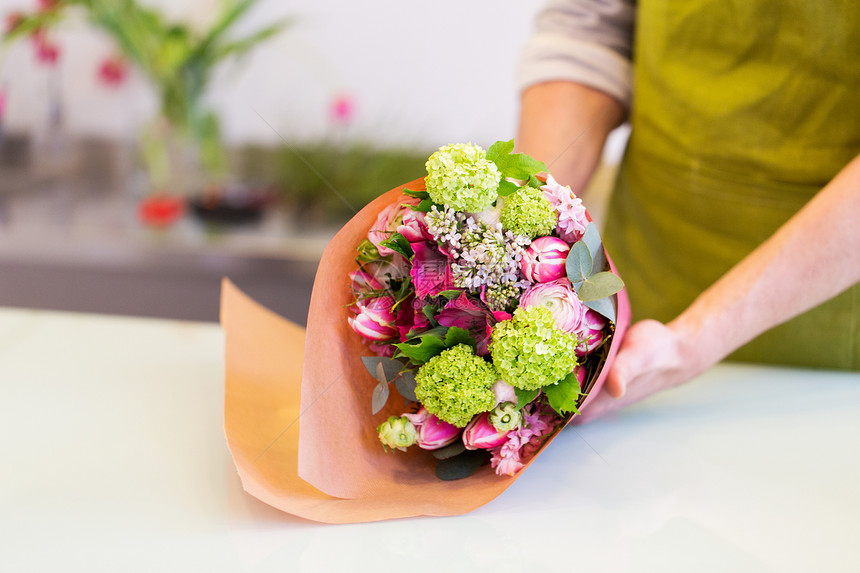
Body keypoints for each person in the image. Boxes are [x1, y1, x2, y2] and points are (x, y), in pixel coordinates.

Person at [515, 0, 860, 420]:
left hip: (832, 356)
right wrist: (522, 229)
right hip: (645, 289)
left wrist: (694, 340)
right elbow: (590, 27)